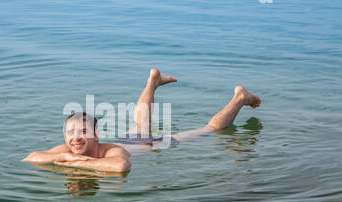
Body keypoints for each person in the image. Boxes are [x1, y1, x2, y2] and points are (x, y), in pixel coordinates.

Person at [22, 68, 261, 172]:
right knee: (138, 124)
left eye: (82, 131)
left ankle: (239, 98)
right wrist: (60, 157)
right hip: (129, 140)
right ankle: (153, 81)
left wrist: (76, 163)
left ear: (96, 136)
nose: (75, 137)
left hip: (152, 144)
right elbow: (31, 157)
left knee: (208, 130)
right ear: (64, 136)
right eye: (70, 132)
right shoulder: (67, 149)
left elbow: (121, 167)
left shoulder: (109, 152)